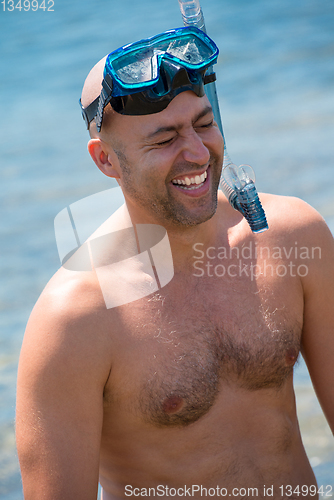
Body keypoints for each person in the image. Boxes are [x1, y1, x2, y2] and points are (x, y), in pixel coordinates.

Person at [16, 26, 334, 500]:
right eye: (164, 139)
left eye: (203, 124)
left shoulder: (291, 236)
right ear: (106, 160)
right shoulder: (74, 321)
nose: (197, 153)